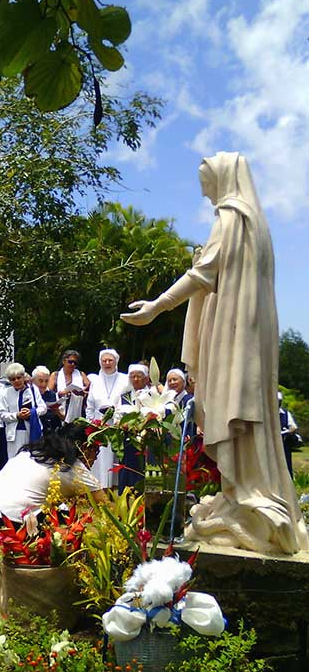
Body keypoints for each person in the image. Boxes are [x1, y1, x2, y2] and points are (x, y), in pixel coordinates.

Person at [121, 151, 308, 554]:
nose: (204, 192)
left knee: (231, 410)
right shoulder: (254, 222)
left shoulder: (231, 217)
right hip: (245, 334)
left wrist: (157, 307)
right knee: (244, 416)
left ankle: (246, 497)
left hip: (232, 336)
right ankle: (242, 494)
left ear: (221, 178)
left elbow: (202, 274)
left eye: (206, 182)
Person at [0, 424, 105, 546]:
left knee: (58, 511)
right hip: (4, 524)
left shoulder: (31, 452)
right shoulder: (74, 468)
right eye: (95, 451)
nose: (96, 458)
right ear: (84, 447)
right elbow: (106, 507)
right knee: (65, 527)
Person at [86, 349, 130, 487]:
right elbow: (90, 406)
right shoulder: (96, 381)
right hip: (100, 426)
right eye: (104, 361)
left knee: (116, 458)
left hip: (118, 425)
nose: (107, 363)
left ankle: (116, 488)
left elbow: (128, 402)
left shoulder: (125, 379)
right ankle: (101, 488)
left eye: (110, 360)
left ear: (116, 361)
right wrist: (92, 424)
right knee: (101, 460)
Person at [0, 362, 47, 459]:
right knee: (15, 460)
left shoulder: (33, 390)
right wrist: (17, 415)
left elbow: (43, 408)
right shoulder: (5, 393)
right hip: (14, 433)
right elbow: (2, 413)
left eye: (19, 378)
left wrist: (32, 412)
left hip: (32, 429)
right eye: (13, 379)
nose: (16, 381)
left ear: (23, 377)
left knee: (32, 459)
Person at [117, 363, 150, 491]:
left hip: (147, 439)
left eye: (139, 376)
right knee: (127, 468)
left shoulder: (151, 394)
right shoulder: (123, 397)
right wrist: (124, 424)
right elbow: (117, 417)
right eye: (133, 376)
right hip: (128, 439)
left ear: (146, 379)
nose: (136, 379)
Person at [48, 349, 89, 424]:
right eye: (70, 362)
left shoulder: (81, 375)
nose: (72, 364)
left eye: (75, 363)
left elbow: (90, 391)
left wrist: (82, 393)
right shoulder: (55, 375)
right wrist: (59, 394)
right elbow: (48, 394)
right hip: (59, 413)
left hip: (77, 412)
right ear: (63, 361)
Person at [32, 365, 63, 434]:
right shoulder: (29, 395)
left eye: (46, 381)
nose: (44, 384)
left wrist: (57, 412)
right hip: (36, 431)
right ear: (33, 381)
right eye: (40, 381)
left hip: (52, 432)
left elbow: (63, 417)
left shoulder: (53, 394)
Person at [278, 391, 299, 478]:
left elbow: (293, 427)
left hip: (284, 443)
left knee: (286, 464)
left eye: (279, 401)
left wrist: (286, 432)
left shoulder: (285, 413)